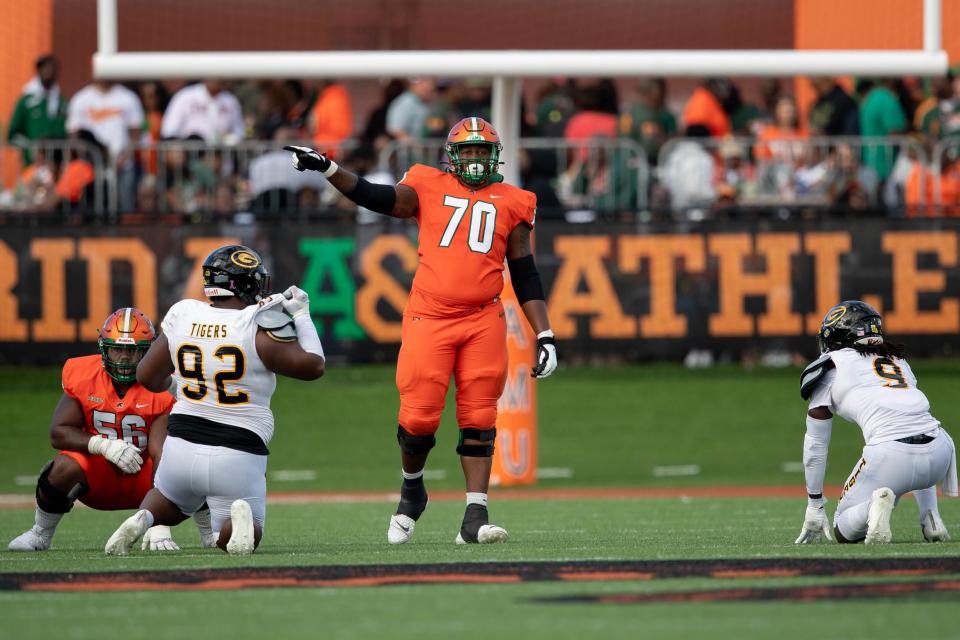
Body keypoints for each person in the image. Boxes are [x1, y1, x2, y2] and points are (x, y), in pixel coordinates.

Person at [285, 116, 558, 546]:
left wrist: (545, 334)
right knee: (418, 416)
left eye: (480, 152)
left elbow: (525, 272)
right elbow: (379, 198)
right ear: (451, 156)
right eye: (466, 152)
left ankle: (475, 515)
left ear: (494, 157)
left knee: (480, 413)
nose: (473, 160)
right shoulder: (427, 185)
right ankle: (413, 489)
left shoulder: (515, 200)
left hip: (483, 317)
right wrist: (329, 169)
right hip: (429, 315)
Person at [103, 245, 325, 556]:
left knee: (167, 499)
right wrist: (301, 314)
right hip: (238, 450)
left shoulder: (184, 313)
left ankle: (146, 517)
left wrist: (180, 385)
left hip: (180, 444)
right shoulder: (256, 321)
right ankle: (237, 526)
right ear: (246, 284)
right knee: (237, 532)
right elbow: (313, 365)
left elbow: (146, 376)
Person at [8, 308, 196, 552]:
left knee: (191, 462)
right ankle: (40, 533)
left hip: (148, 477)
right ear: (103, 348)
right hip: (100, 477)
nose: (124, 358)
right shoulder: (85, 376)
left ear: (149, 353)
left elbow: (161, 452)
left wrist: (157, 521)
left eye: (133, 351)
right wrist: (103, 445)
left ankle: (210, 532)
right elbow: (58, 431)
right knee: (62, 467)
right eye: (117, 348)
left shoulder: (163, 384)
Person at [795, 301, 957, 545]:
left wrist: (814, 504)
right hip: (941, 450)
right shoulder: (898, 360)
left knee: (842, 526)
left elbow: (816, 445)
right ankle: (930, 518)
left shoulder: (831, 365)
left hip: (892, 455)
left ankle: (874, 505)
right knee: (916, 428)